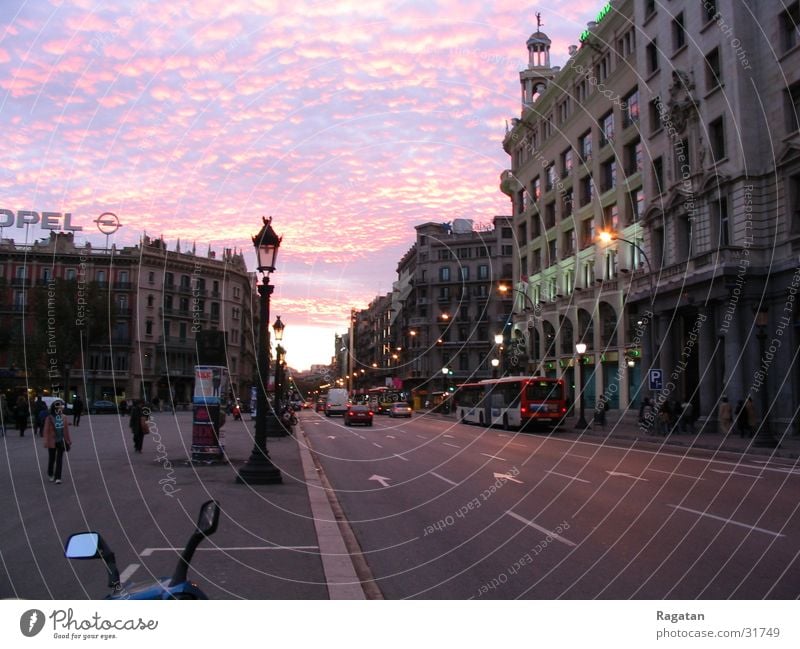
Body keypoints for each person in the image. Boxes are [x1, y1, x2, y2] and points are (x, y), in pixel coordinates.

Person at [43, 401, 71, 484]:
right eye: (60, 407)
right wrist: (45, 441)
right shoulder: (49, 418)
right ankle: (51, 474)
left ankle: (58, 477)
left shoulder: (64, 417)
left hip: (61, 440)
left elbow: (66, 430)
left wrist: (68, 440)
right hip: (52, 441)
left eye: (62, 407)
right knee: (52, 459)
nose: (62, 408)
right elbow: (46, 430)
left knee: (59, 459)